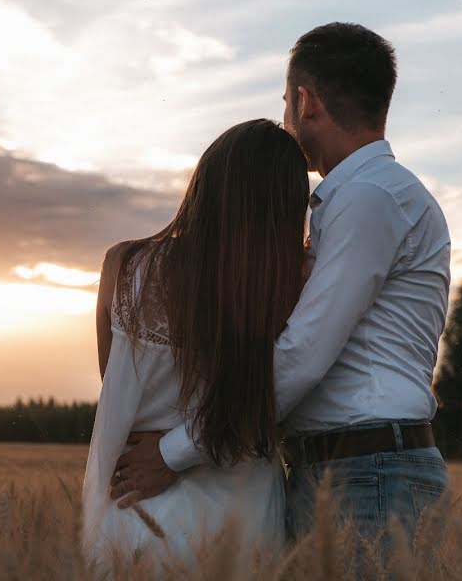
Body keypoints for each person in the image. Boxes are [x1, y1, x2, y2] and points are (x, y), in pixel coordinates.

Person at [110, 22, 452, 545]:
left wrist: (173, 452)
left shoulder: (369, 198)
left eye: (285, 104)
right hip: (355, 469)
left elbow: (302, 354)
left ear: (304, 100)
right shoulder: (364, 197)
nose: (286, 119)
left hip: (367, 473)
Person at [82, 119, 310, 572]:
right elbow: (286, 396)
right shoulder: (293, 282)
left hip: (138, 513)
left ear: (205, 183)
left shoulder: (123, 267)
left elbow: (115, 384)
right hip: (244, 521)